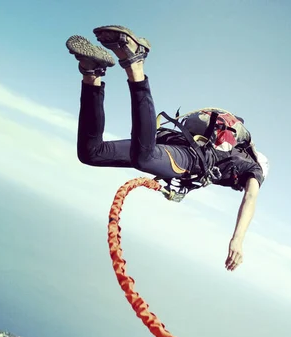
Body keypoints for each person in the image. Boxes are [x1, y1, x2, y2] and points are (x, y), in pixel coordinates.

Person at [66, 25, 269, 272]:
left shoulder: (232, 154)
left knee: (92, 153)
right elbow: (251, 197)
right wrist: (237, 240)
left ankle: (92, 73)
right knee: (144, 157)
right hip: (188, 158)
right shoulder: (252, 169)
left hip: (172, 140)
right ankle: (135, 64)